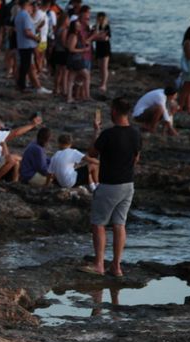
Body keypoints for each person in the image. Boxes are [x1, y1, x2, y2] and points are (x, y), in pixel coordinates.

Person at [82, 96, 140, 277]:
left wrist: (96, 132)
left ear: (114, 111)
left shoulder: (108, 134)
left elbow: (91, 153)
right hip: (128, 184)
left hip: (109, 184)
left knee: (98, 224)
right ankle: (116, 266)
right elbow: (136, 158)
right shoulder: (135, 133)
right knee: (119, 224)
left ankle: (99, 264)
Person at [92, 11, 110, 93]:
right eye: (99, 18)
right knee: (100, 66)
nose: (100, 19)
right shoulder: (95, 26)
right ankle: (101, 82)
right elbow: (93, 37)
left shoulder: (107, 27)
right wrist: (99, 35)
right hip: (98, 47)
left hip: (105, 48)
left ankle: (104, 84)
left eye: (102, 18)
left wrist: (98, 36)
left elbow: (105, 38)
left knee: (104, 66)